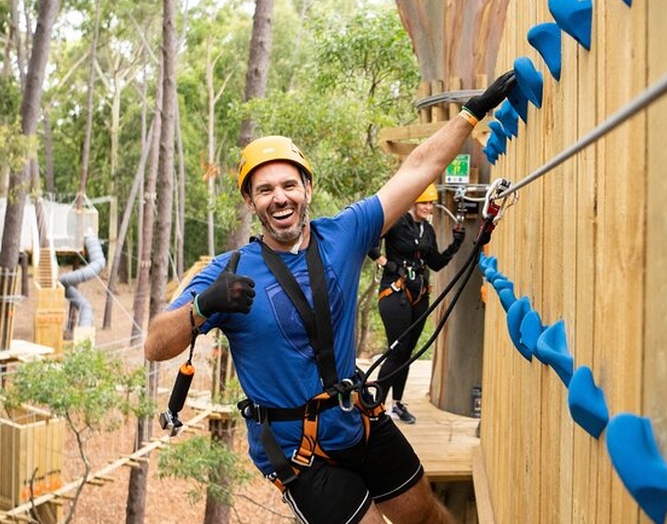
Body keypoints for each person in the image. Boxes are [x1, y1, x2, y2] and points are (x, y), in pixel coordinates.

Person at [144, 70, 515, 524]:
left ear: (307, 189)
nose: (279, 198)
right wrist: (203, 305)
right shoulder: (229, 271)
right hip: (296, 449)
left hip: (355, 417)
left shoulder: (344, 233)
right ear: (250, 203)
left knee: (426, 514)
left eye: (288, 185)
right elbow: (155, 345)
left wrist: (471, 113)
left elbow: (417, 169)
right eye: (265, 190)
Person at [367, 183, 465, 424]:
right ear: (413, 202)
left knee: (407, 353)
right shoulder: (397, 222)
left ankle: (397, 404)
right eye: (424, 203)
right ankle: (375, 406)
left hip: (419, 295)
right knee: (396, 350)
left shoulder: (427, 230)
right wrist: (386, 263)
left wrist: (456, 244)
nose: (428, 207)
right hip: (395, 293)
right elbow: (370, 244)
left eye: (431, 204)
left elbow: (437, 263)